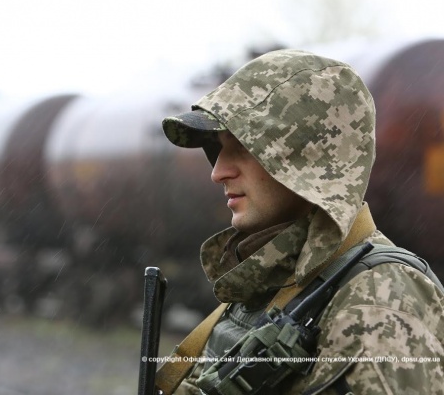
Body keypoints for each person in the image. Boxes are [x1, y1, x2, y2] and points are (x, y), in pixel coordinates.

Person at [159, 49, 444, 394]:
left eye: (242, 146)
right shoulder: (274, 278)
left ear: (309, 160)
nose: (218, 172)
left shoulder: (379, 297)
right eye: (218, 149)